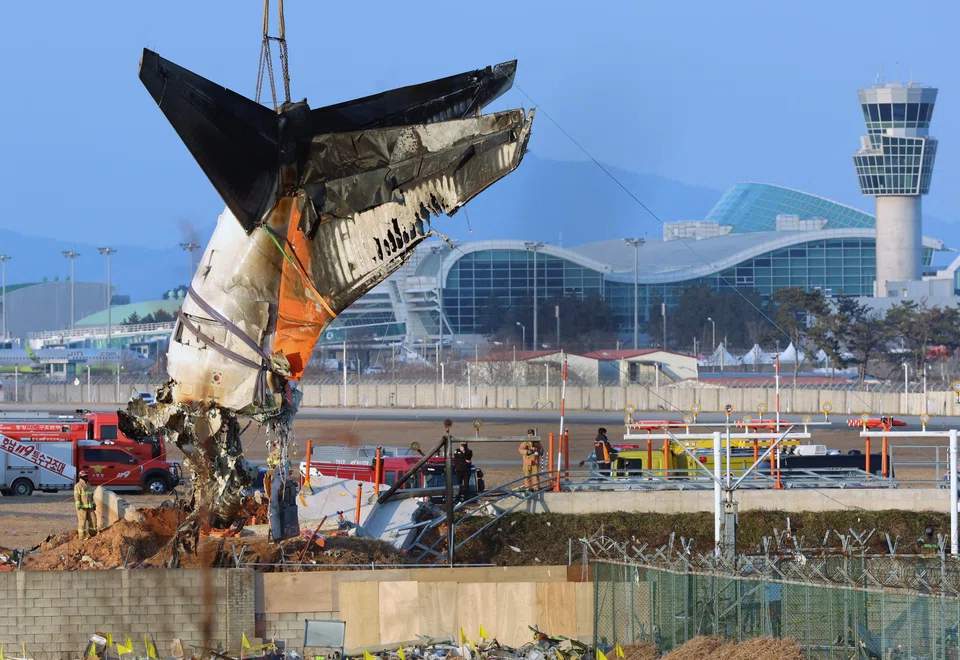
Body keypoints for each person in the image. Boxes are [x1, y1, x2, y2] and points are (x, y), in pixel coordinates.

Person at [74, 469, 97, 540]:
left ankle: (93, 534)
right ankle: (82, 536)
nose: (86, 477)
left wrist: (94, 504)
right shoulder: (78, 485)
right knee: (82, 522)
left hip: (90, 506)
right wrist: (78, 505)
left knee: (93, 520)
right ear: (80, 477)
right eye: (84, 476)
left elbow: (91, 496)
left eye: (86, 476)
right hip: (82, 507)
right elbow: (77, 496)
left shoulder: (88, 485)